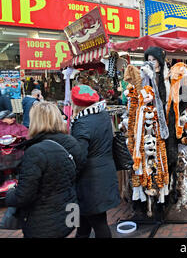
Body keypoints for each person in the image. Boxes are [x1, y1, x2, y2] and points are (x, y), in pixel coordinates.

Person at [5, 102, 82, 238]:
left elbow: (23, 195)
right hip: (70, 211)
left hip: (44, 220)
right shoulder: (72, 142)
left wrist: (10, 193)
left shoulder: (35, 151)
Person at [70, 84, 120, 238]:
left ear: (76, 104)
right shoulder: (103, 115)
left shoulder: (81, 123)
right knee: (84, 220)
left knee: (98, 223)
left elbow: (79, 156)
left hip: (90, 181)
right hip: (103, 174)